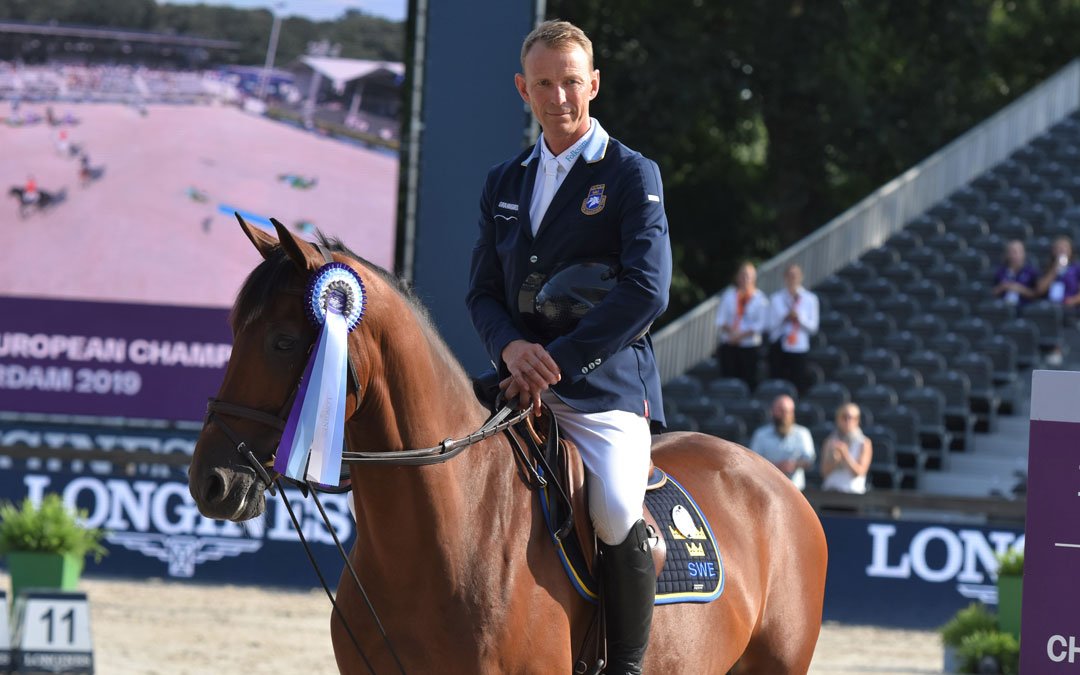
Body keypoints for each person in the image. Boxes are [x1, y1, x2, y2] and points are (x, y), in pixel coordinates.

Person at [466, 20, 672, 675]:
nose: (559, 97)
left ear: (595, 84)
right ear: (523, 89)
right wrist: (510, 349)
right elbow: (482, 293)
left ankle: (626, 663)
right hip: (516, 379)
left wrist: (558, 361)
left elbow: (647, 290)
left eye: (572, 82)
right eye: (544, 84)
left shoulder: (631, 173)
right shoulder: (503, 180)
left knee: (614, 506)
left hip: (603, 388)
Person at [715, 261, 769, 390]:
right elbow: (720, 319)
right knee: (727, 382)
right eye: (742, 275)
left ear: (754, 278)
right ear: (737, 277)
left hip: (749, 347)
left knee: (748, 382)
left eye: (748, 276)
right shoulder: (729, 295)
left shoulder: (760, 299)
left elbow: (761, 324)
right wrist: (732, 333)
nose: (745, 279)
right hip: (729, 344)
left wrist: (741, 335)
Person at [767, 263, 819, 393]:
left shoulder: (810, 299)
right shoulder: (776, 299)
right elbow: (770, 326)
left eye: (795, 275)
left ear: (801, 277)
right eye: (789, 275)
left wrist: (799, 318)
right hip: (780, 346)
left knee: (798, 384)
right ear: (785, 277)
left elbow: (813, 328)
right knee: (778, 384)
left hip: (799, 347)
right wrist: (785, 317)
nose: (792, 279)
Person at [748, 395, 816, 491]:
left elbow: (810, 460)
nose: (784, 415)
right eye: (780, 411)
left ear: (792, 413)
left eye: (787, 411)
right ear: (773, 411)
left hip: (796, 490)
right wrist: (775, 467)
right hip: (767, 489)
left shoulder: (803, 433)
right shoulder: (761, 435)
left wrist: (794, 464)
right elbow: (753, 462)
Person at [1035, 235, 1080, 365]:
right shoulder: (1047, 268)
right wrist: (1055, 270)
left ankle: (1057, 349)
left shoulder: (1076, 268)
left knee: (1058, 313)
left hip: (1069, 305)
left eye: (1064, 248)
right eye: (1058, 248)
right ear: (1053, 251)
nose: (1061, 250)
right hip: (1049, 305)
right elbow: (1039, 289)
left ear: (1071, 250)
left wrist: (1073, 300)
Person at [820, 403, 873, 494]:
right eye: (844, 417)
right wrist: (835, 461)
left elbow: (860, 472)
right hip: (830, 492)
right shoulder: (829, 441)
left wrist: (845, 456)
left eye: (851, 417)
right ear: (838, 419)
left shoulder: (864, 442)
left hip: (853, 494)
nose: (848, 421)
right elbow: (824, 473)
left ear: (857, 420)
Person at [991, 239, 1038, 308]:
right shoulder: (1000, 271)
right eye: (1012, 252)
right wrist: (1003, 287)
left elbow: (1036, 294)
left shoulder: (1031, 272)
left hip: (1024, 307)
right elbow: (993, 292)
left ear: (1023, 253)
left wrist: (1020, 289)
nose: (1014, 255)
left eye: (1017, 252)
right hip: (1003, 308)